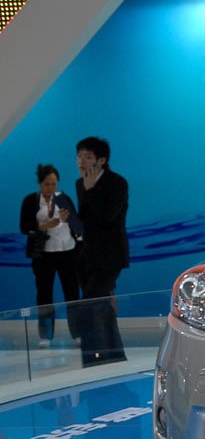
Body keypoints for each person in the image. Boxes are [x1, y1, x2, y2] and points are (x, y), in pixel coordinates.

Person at [70, 137, 129, 367]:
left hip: (111, 255)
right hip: (87, 255)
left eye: (87, 157)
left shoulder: (117, 183)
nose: (81, 161)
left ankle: (93, 360)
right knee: (102, 308)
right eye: (79, 156)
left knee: (89, 305)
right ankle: (114, 356)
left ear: (101, 160)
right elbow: (87, 220)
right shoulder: (80, 183)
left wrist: (91, 190)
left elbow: (108, 218)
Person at [19, 164, 83, 347]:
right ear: (40, 183)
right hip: (43, 254)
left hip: (67, 251)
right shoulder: (30, 200)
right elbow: (24, 227)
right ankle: (45, 335)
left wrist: (68, 219)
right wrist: (45, 225)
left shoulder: (64, 198)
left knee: (72, 292)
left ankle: (77, 333)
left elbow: (78, 226)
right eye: (47, 184)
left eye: (54, 184)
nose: (51, 188)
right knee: (44, 294)